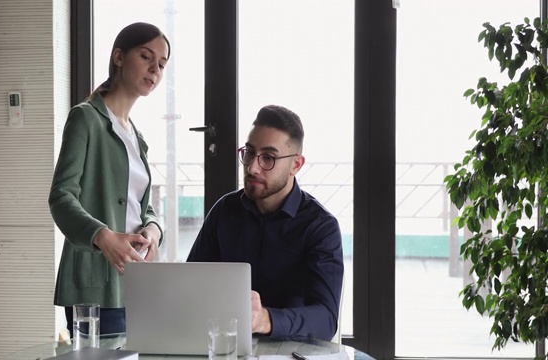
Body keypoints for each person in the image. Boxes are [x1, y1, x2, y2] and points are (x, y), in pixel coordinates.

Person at [48, 22, 170, 336]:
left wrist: (155, 230)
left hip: (135, 284)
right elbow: (61, 197)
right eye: (146, 57)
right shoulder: (85, 118)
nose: (154, 69)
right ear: (118, 57)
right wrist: (104, 237)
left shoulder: (136, 137)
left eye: (161, 64)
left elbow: (142, 209)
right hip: (93, 289)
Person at [187, 105, 344, 341]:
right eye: (249, 153)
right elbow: (190, 283)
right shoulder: (224, 210)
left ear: (296, 165)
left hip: (291, 351)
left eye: (268, 158)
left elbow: (326, 320)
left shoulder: (321, 227)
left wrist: (265, 320)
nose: (252, 168)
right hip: (227, 347)